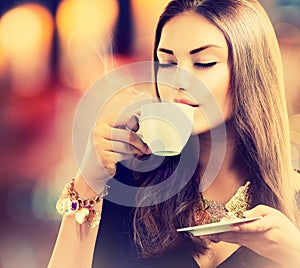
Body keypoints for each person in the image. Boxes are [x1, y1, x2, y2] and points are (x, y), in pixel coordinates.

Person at [48, 0, 300, 267]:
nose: (179, 80)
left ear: (250, 74)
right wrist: (87, 181)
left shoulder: (293, 199)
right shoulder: (128, 182)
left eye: (203, 62)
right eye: (167, 63)